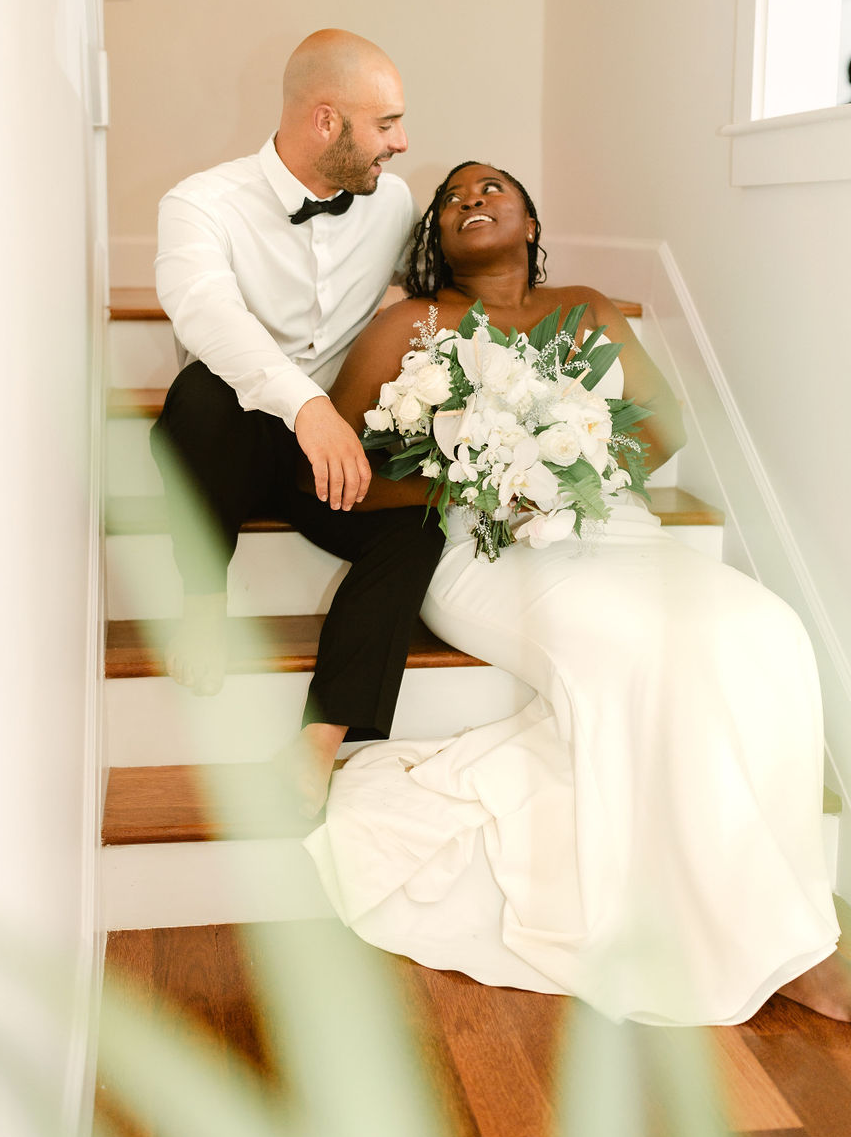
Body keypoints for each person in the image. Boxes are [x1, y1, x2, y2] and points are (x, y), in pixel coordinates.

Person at [304, 160, 851, 1026]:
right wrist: (471, 477)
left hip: (615, 529)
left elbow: (661, 424)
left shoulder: (588, 308)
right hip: (484, 550)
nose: (469, 201)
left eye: (491, 189)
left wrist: (574, 468)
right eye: (451, 199)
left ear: (529, 216)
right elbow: (343, 467)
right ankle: (789, 949)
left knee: (767, 628)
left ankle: (786, 901)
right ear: (433, 240)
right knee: (644, 654)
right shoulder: (410, 323)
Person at [150, 31, 444, 790]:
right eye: (387, 124)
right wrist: (305, 404)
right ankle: (204, 596)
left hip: (334, 452)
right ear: (325, 121)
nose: (403, 143)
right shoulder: (199, 204)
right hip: (234, 445)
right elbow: (206, 314)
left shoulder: (394, 202)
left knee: (419, 523)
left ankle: (318, 741)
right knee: (202, 395)